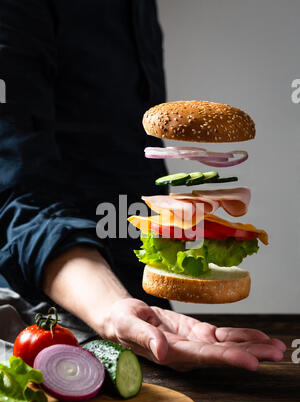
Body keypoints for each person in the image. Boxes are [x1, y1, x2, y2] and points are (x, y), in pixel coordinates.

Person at [0, 0, 285, 371]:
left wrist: (135, 305)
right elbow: (17, 195)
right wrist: (110, 307)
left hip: (146, 315)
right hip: (46, 322)